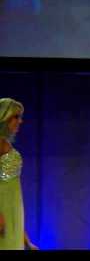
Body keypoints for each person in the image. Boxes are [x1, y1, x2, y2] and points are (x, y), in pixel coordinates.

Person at [0, 98, 38, 250]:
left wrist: (26, 240)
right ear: (4, 117)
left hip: (14, 213)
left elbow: (13, 195)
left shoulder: (6, 144)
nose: (20, 121)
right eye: (16, 117)